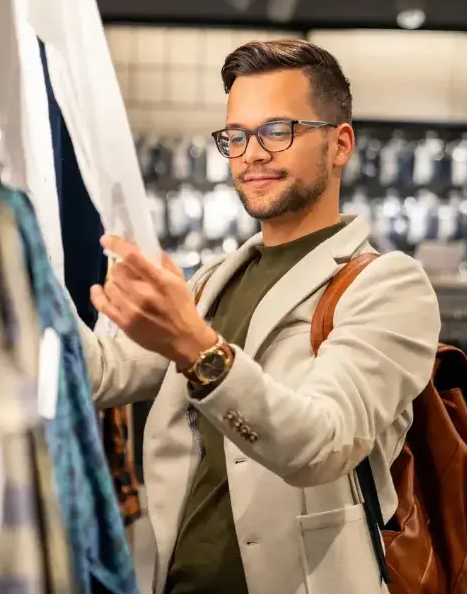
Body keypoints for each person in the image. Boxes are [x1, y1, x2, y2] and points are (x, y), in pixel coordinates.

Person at [77, 39, 440, 594]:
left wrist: (199, 348)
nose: (252, 154)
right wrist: (13, 265)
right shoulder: (213, 281)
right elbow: (101, 372)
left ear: (340, 144)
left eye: (278, 131)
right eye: (237, 136)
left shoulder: (386, 285)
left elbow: (322, 444)